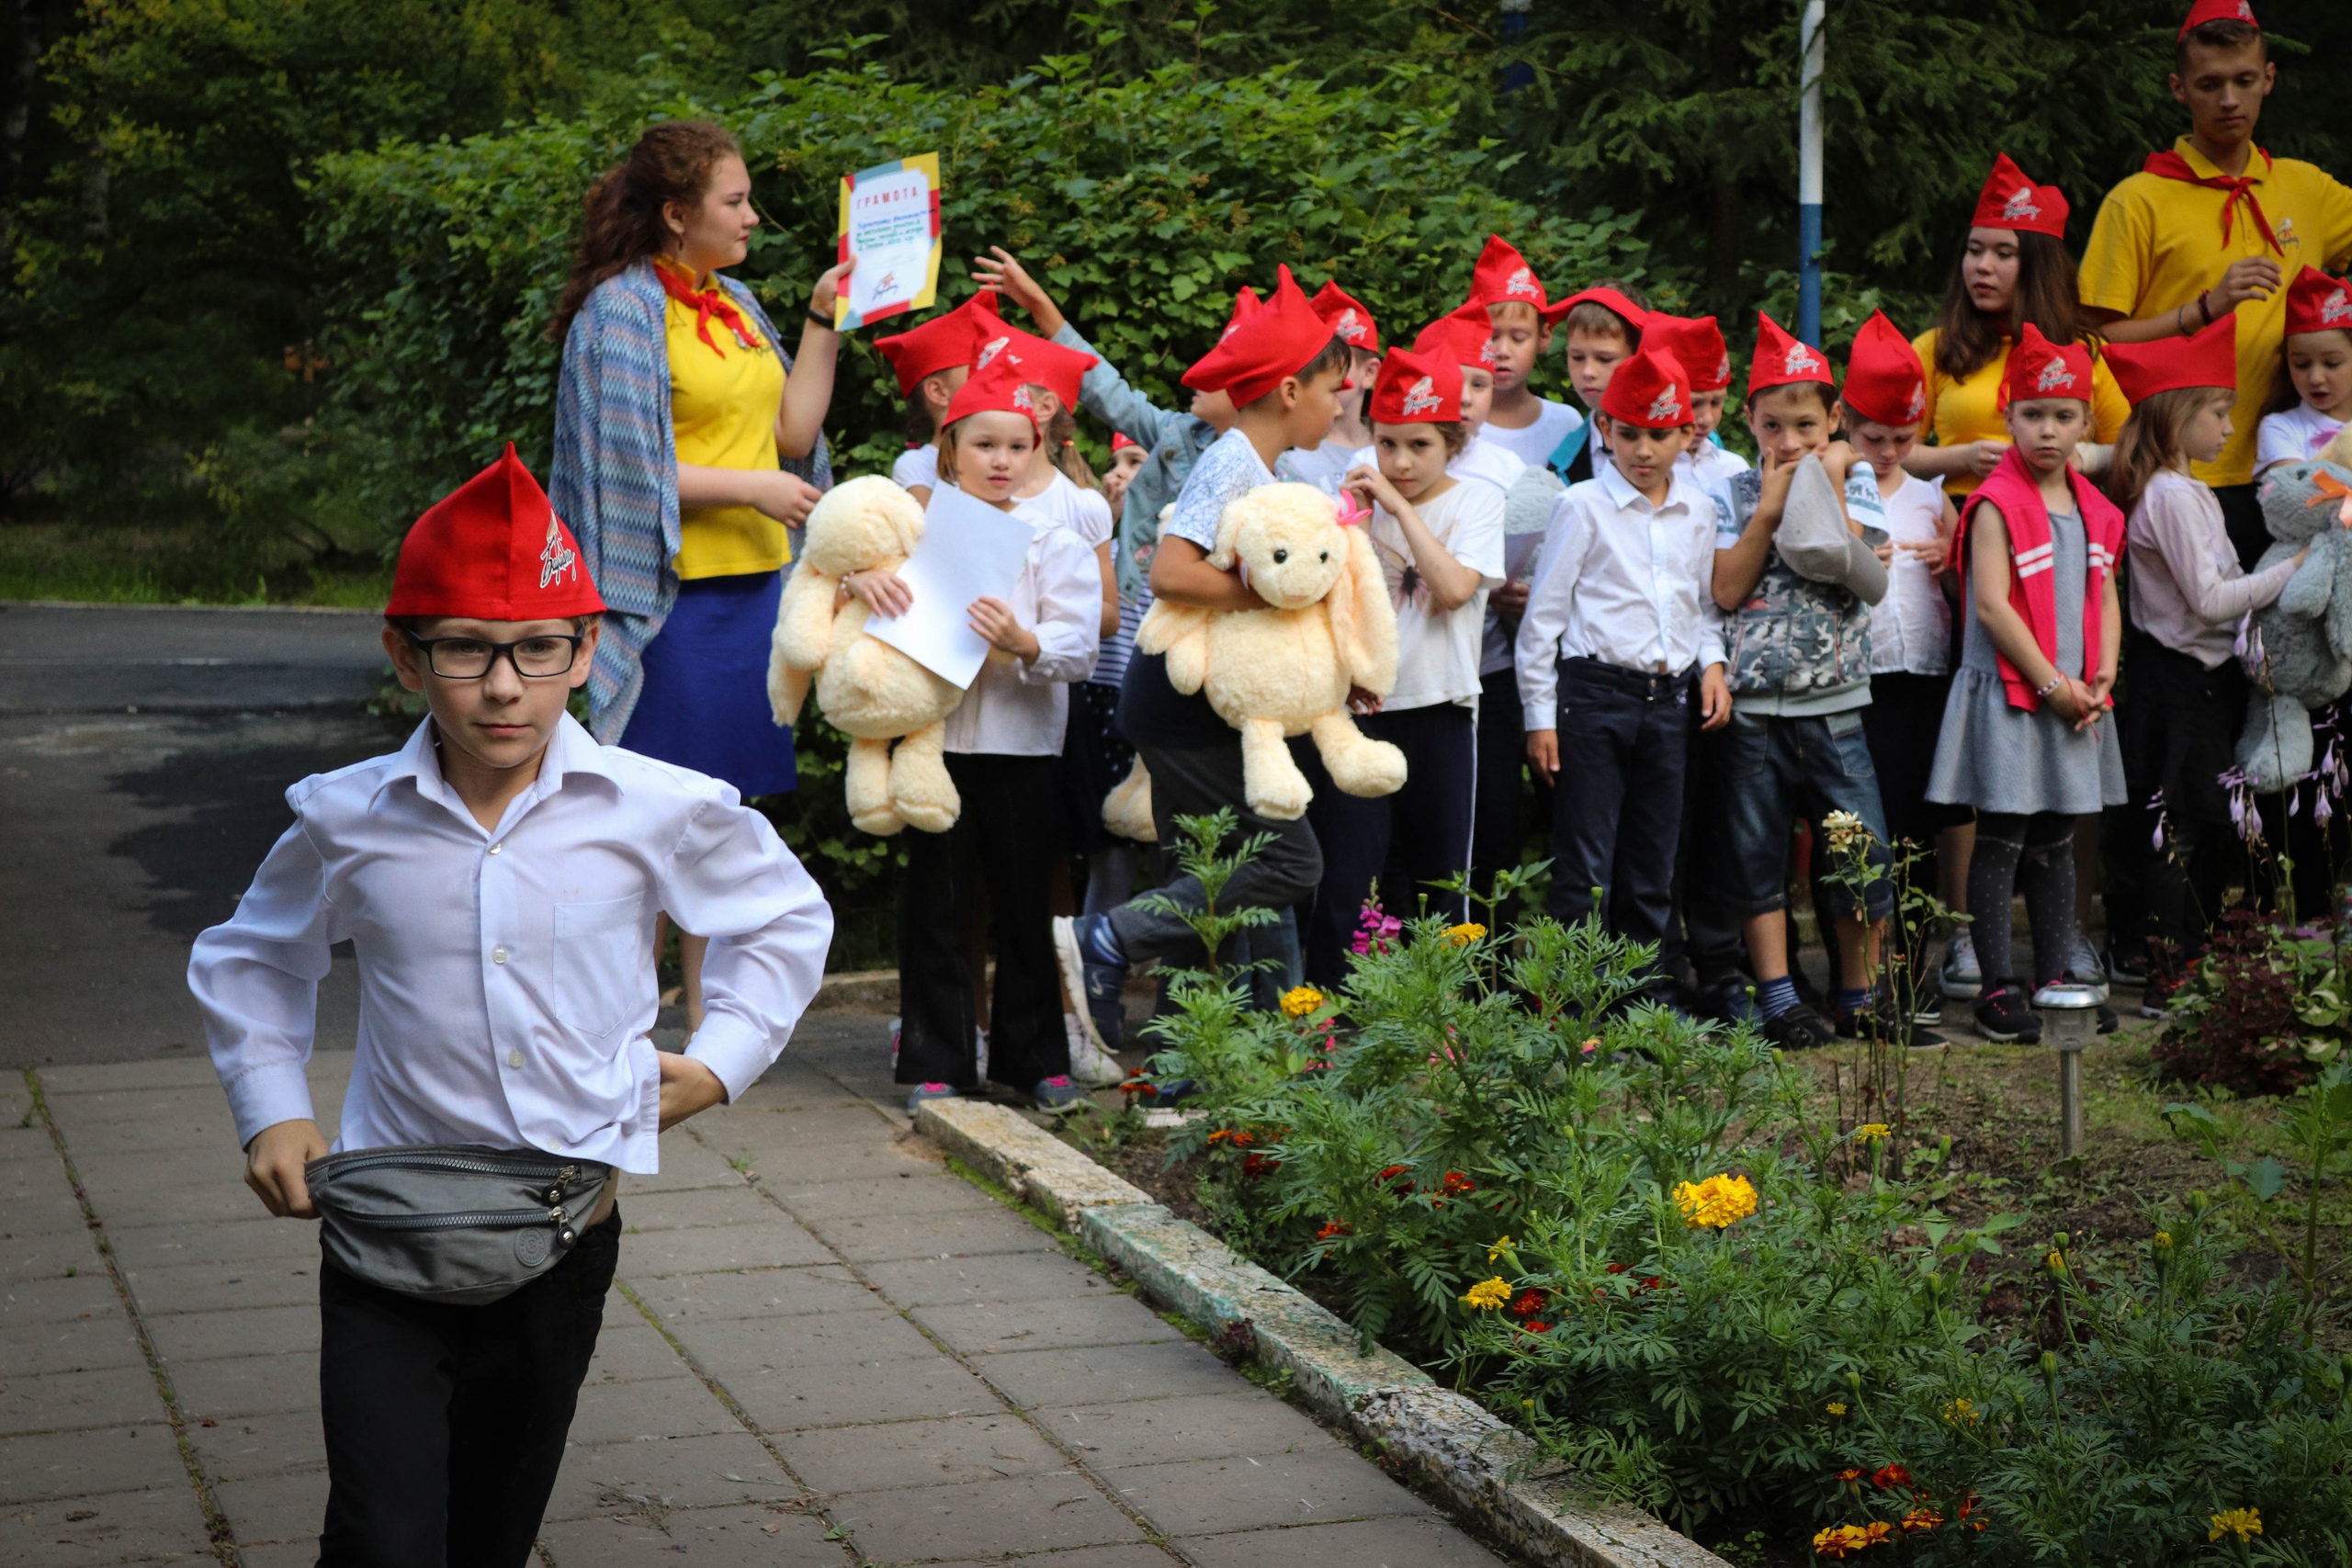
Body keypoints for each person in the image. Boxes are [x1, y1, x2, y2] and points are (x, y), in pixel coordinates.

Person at [188, 448, 832, 1568]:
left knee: (491, 1529)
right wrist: (270, 1104)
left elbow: (779, 918)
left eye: (538, 650)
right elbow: (253, 955)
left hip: (563, 1230)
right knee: (384, 1536)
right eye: (465, 652)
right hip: (383, 1231)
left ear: (585, 650)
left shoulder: (654, 810)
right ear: (405, 655)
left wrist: (722, 1057)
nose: (503, 687)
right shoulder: (350, 820)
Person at [548, 120, 842, 1030]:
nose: (752, 215)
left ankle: (709, 1016)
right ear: (678, 215)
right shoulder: (621, 313)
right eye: (734, 200)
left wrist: (825, 317)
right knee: (647, 813)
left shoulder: (739, 304)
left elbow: (794, 438)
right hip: (664, 604)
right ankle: (618, 1012)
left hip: (750, 596)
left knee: (721, 814)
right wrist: (754, 489)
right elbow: (626, 471)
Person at [1053, 267, 1351, 1045]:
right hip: (1184, 706)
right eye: (1332, 391)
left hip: (1188, 703)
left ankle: (1198, 1061)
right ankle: (1103, 939)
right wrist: (1276, 594)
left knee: (1205, 886)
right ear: (1290, 389)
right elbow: (1172, 572)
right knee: (1289, 865)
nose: (1339, 406)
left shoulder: (1255, 465)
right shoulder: (1231, 461)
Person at [856, 357, 1103, 1115]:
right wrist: (856, 581)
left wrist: (1024, 641)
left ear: (1038, 449)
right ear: (950, 450)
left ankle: (1035, 1060)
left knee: (1025, 902)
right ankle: (939, 1057)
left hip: (1024, 744)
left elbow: (1081, 646)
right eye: (984, 445)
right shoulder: (913, 533)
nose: (1000, 461)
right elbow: (845, 588)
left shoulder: (1055, 540)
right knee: (937, 899)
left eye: (1016, 446)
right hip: (936, 747)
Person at [2079, 0, 2352, 565]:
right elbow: (2096, 344)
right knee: (2194, 650)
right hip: (2183, 474)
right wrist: (2206, 307)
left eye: (2244, 81)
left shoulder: (2309, 190)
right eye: (2210, 84)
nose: (2229, 100)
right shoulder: (2137, 201)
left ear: (2268, 79)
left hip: (2302, 473)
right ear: (2179, 88)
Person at [1925, 326, 2128, 1042]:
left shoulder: (2094, 507)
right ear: (2008, 414)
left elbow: (2102, 591)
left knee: (2056, 836)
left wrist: (2103, 671)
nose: (2049, 429)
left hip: (2072, 695)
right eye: (2034, 414)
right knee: (2003, 835)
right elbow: (1990, 605)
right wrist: (2053, 686)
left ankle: (2053, 978)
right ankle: (1994, 986)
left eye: (2064, 416)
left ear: (2086, 422)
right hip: (2017, 696)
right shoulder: (1993, 502)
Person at [1711, 313, 1898, 1048]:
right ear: (1749, 422)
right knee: (1756, 854)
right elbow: (1726, 589)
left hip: (1837, 705)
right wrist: (1768, 508)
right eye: (1771, 426)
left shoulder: (1857, 478)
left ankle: (1860, 991)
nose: (1787, 442)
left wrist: (1826, 478)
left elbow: (1861, 563)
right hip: (1754, 708)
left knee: (1860, 852)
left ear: (1835, 420)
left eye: (1805, 425)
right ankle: (1780, 995)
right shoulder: (1731, 491)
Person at [1518, 344, 1729, 981]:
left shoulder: (1699, 509)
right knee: (1584, 862)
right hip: (1594, 697)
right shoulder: (1581, 505)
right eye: (1629, 434)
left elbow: (1699, 604)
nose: (1643, 450)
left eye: (1660, 435)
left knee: (1653, 858)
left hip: (1669, 700)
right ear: (1604, 430)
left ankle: (1645, 998)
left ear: (1687, 434)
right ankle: (1574, 1001)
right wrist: (1539, 716)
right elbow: (1543, 621)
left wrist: (1712, 663)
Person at [2105, 315, 2296, 1012]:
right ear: (2176, 414)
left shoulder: (2194, 491)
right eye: (2217, 412)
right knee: (2176, 826)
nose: (2227, 427)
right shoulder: (2167, 496)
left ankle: (2202, 953)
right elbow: (2213, 599)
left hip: (2209, 682)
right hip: (2175, 683)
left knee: (2211, 821)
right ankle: (2169, 970)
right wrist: (2295, 568)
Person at [1299, 347, 1505, 983]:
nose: (1401, 462)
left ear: (1455, 443)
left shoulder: (1477, 502)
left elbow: (1450, 590)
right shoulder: (1352, 497)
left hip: (1441, 711)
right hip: (1361, 717)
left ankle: (1448, 1037)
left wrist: (1397, 505)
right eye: (1387, 444)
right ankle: (1328, 1028)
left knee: (1444, 887)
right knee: (1344, 886)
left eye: (1419, 445)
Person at [1839, 310, 1971, 1012]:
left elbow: (1962, 591)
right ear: (1844, 421)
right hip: (1861, 685)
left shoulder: (1931, 496)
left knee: (1919, 823)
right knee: (1869, 831)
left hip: (1924, 680)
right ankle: (1862, 972)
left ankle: (1913, 968)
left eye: (1903, 437)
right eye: (1872, 436)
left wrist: (1953, 564)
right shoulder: (1831, 491)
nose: (1887, 450)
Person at [1908, 152, 2132, 511]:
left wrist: (2078, 458)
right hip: (1958, 521)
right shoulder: (1936, 347)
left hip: (2055, 519)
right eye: (1975, 250)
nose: (1983, 267)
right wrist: (1964, 458)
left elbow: (2128, 452)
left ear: (2038, 268)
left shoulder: (2087, 352)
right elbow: (1887, 453)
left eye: (2004, 254)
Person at [875, 288, 1006, 504]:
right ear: (938, 392)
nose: (994, 379)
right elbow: (935, 535)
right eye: (978, 368)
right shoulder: (917, 466)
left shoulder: (1007, 458)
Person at [1464, 234, 1586, 468]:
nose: (1502, 351)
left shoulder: (1566, 423)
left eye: (1518, 338)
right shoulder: (1457, 422)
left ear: (1544, 337)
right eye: (1491, 337)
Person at [1279, 282, 1384, 489]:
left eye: (1336, 363)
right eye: (1309, 363)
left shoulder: (1394, 447)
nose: (1319, 375)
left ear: (1369, 373)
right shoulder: (1291, 455)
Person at [1546, 283, 1650, 482]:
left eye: (1604, 359)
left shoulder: (1685, 441)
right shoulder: (1564, 461)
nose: (1588, 372)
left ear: (1638, 356)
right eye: (1577, 357)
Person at [1645, 313, 1749, 506]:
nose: (1707, 419)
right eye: (1694, 404)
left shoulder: (1733, 468)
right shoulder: (1640, 473)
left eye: (1717, 403)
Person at [2256, 267, 2352, 470]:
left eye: (2332, 363)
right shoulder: (2281, 428)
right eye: (2302, 364)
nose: (2315, 378)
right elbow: (2298, 495)